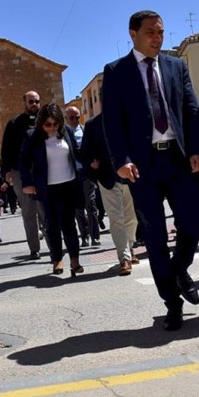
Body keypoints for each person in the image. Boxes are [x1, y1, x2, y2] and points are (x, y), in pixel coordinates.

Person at [102, 10, 199, 331]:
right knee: (155, 236)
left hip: (178, 159)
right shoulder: (116, 71)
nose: (157, 38)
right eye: (151, 32)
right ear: (133, 34)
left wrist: (198, 150)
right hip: (142, 166)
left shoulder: (176, 66)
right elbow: (112, 121)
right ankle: (172, 303)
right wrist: (121, 160)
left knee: (193, 222)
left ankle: (180, 268)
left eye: (160, 32)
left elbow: (191, 109)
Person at [20, 102, 84, 277]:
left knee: (69, 224)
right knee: (52, 225)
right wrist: (27, 183)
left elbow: (77, 152)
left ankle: (75, 259)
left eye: (55, 124)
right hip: (47, 188)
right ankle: (57, 259)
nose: (52, 127)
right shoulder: (32, 136)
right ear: (41, 122)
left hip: (69, 184)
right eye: (48, 124)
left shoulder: (67, 132)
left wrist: (92, 161)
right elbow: (24, 162)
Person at [81, 112, 139, 275]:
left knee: (132, 218)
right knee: (116, 218)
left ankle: (130, 246)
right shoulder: (92, 124)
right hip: (107, 179)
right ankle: (124, 258)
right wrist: (92, 165)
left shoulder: (127, 118)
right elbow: (84, 153)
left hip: (129, 177)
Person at [1, 91, 47, 260]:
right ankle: (34, 248)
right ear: (25, 102)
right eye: (31, 101)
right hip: (20, 172)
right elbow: (6, 148)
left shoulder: (45, 122)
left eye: (37, 101)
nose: (34, 104)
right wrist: (6, 170)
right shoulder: (14, 123)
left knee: (45, 210)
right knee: (28, 211)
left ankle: (52, 246)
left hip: (41, 171)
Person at [65, 105, 101, 247]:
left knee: (91, 204)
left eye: (77, 117)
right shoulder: (63, 133)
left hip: (86, 172)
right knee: (78, 208)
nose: (75, 120)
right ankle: (84, 236)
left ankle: (95, 236)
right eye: (72, 118)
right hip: (72, 174)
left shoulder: (86, 130)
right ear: (66, 118)